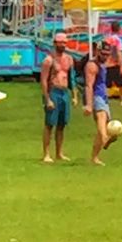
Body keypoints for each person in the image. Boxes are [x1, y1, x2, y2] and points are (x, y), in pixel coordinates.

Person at [40, 31, 76, 162]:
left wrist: (74, 95)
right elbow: (43, 80)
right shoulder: (48, 60)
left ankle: (59, 152)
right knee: (50, 124)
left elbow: (72, 78)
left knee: (62, 124)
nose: (63, 45)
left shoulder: (69, 59)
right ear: (55, 43)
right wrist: (47, 98)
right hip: (53, 91)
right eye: (60, 42)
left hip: (64, 92)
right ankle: (46, 153)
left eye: (64, 43)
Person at [84, 40, 119, 166]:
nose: (105, 56)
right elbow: (88, 85)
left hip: (104, 97)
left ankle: (95, 157)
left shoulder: (103, 64)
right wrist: (88, 104)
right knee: (102, 117)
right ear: (97, 51)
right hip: (96, 97)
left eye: (107, 54)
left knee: (103, 126)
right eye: (103, 53)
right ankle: (105, 138)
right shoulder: (92, 65)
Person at [102, 20, 122, 107]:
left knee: (106, 84)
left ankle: (105, 100)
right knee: (121, 83)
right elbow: (119, 53)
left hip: (107, 64)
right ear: (119, 29)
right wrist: (121, 65)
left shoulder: (107, 39)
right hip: (115, 64)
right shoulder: (118, 40)